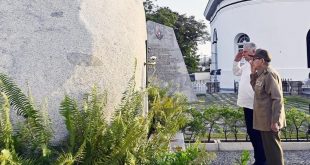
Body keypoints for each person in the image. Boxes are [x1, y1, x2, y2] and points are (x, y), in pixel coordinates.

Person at [250, 49, 286, 165]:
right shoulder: (261, 74)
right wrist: (253, 72)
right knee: (269, 153)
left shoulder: (269, 74)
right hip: (264, 121)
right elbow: (256, 89)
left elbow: (277, 98)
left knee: (274, 152)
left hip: (270, 120)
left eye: (254, 59)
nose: (252, 61)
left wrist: (275, 121)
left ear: (261, 60)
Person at [233, 43, 266, 165]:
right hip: (246, 104)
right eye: (243, 51)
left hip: (256, 105)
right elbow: (236, 72)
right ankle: (259, 159)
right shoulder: (247, 64)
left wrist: (252, 60)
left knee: (258, 134)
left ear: (253, 51)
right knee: (251, 133)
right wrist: (236, 60)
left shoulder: (259, 65)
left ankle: (262, 160)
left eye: (245, 51)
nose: (243, 54)